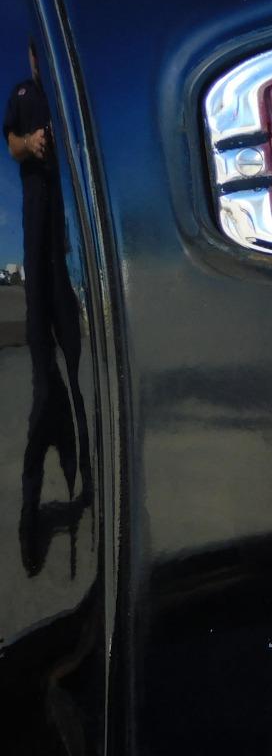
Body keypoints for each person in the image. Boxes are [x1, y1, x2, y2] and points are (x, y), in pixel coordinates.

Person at [4, 38, 90, 571]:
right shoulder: (24, 94)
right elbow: (10, 142)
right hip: (35, 251)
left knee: (78, 366)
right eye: (34, 49)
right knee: (42, 378)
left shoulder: (73, 98)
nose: (41, 58)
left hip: (72, 257)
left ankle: (89, 487)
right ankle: (30, 513)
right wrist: (30, 143)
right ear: (32, 54)